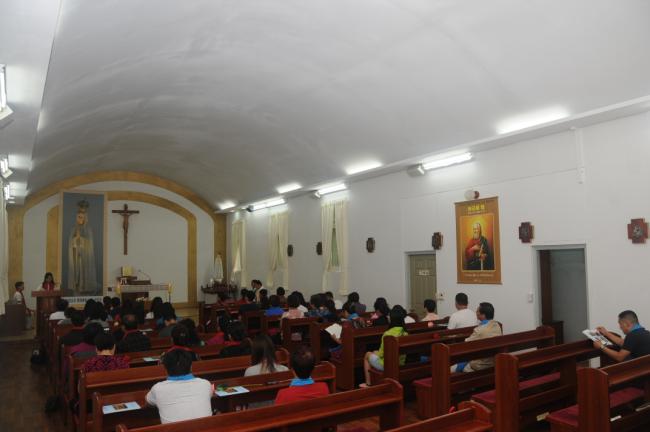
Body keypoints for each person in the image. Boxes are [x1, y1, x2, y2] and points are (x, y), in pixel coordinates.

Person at [145, 349, 213, 424]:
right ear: (191, 367)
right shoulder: (205, 384)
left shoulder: (158, 388)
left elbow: (148, 402)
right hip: (207, 428)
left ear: (165, 368)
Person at [362, 307, 408, 386]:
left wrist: (375, 353)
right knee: (374, 352)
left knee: (367, 355)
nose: (388, 318)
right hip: (400, 363)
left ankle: (368, 383)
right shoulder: (405, 333)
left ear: (392, 319)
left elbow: (381, 355)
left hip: (386, 365)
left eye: (390, 316)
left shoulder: (388, 334)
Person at [450, 302, 502, 372]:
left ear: (483, 315)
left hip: (480, 365)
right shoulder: (497, 325)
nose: (476, 313)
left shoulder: (480, 330)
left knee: (453, 367)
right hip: (493, 362)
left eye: (477, 311)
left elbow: (466, 344)